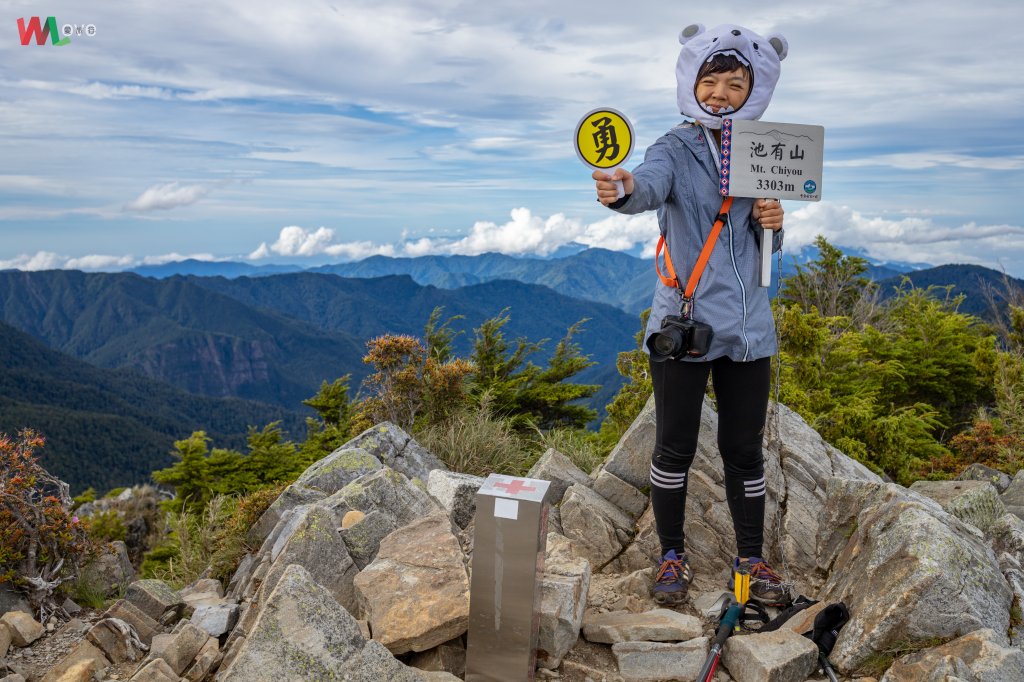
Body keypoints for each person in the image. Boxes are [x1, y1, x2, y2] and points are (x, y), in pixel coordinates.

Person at [592, 23, 792, 606]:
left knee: (744, 451)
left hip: (750, 326)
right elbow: (646, 187)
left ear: (754, 89)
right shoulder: (674, 148)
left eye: (735, 83)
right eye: (711, 80)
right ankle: (671, 555)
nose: (721, 94)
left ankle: (750, 560)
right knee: (674, 446)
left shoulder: (764, 151)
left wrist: (775, 227)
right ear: (692, 81)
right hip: (686, 323)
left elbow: (762, 251)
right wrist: (623, 189)